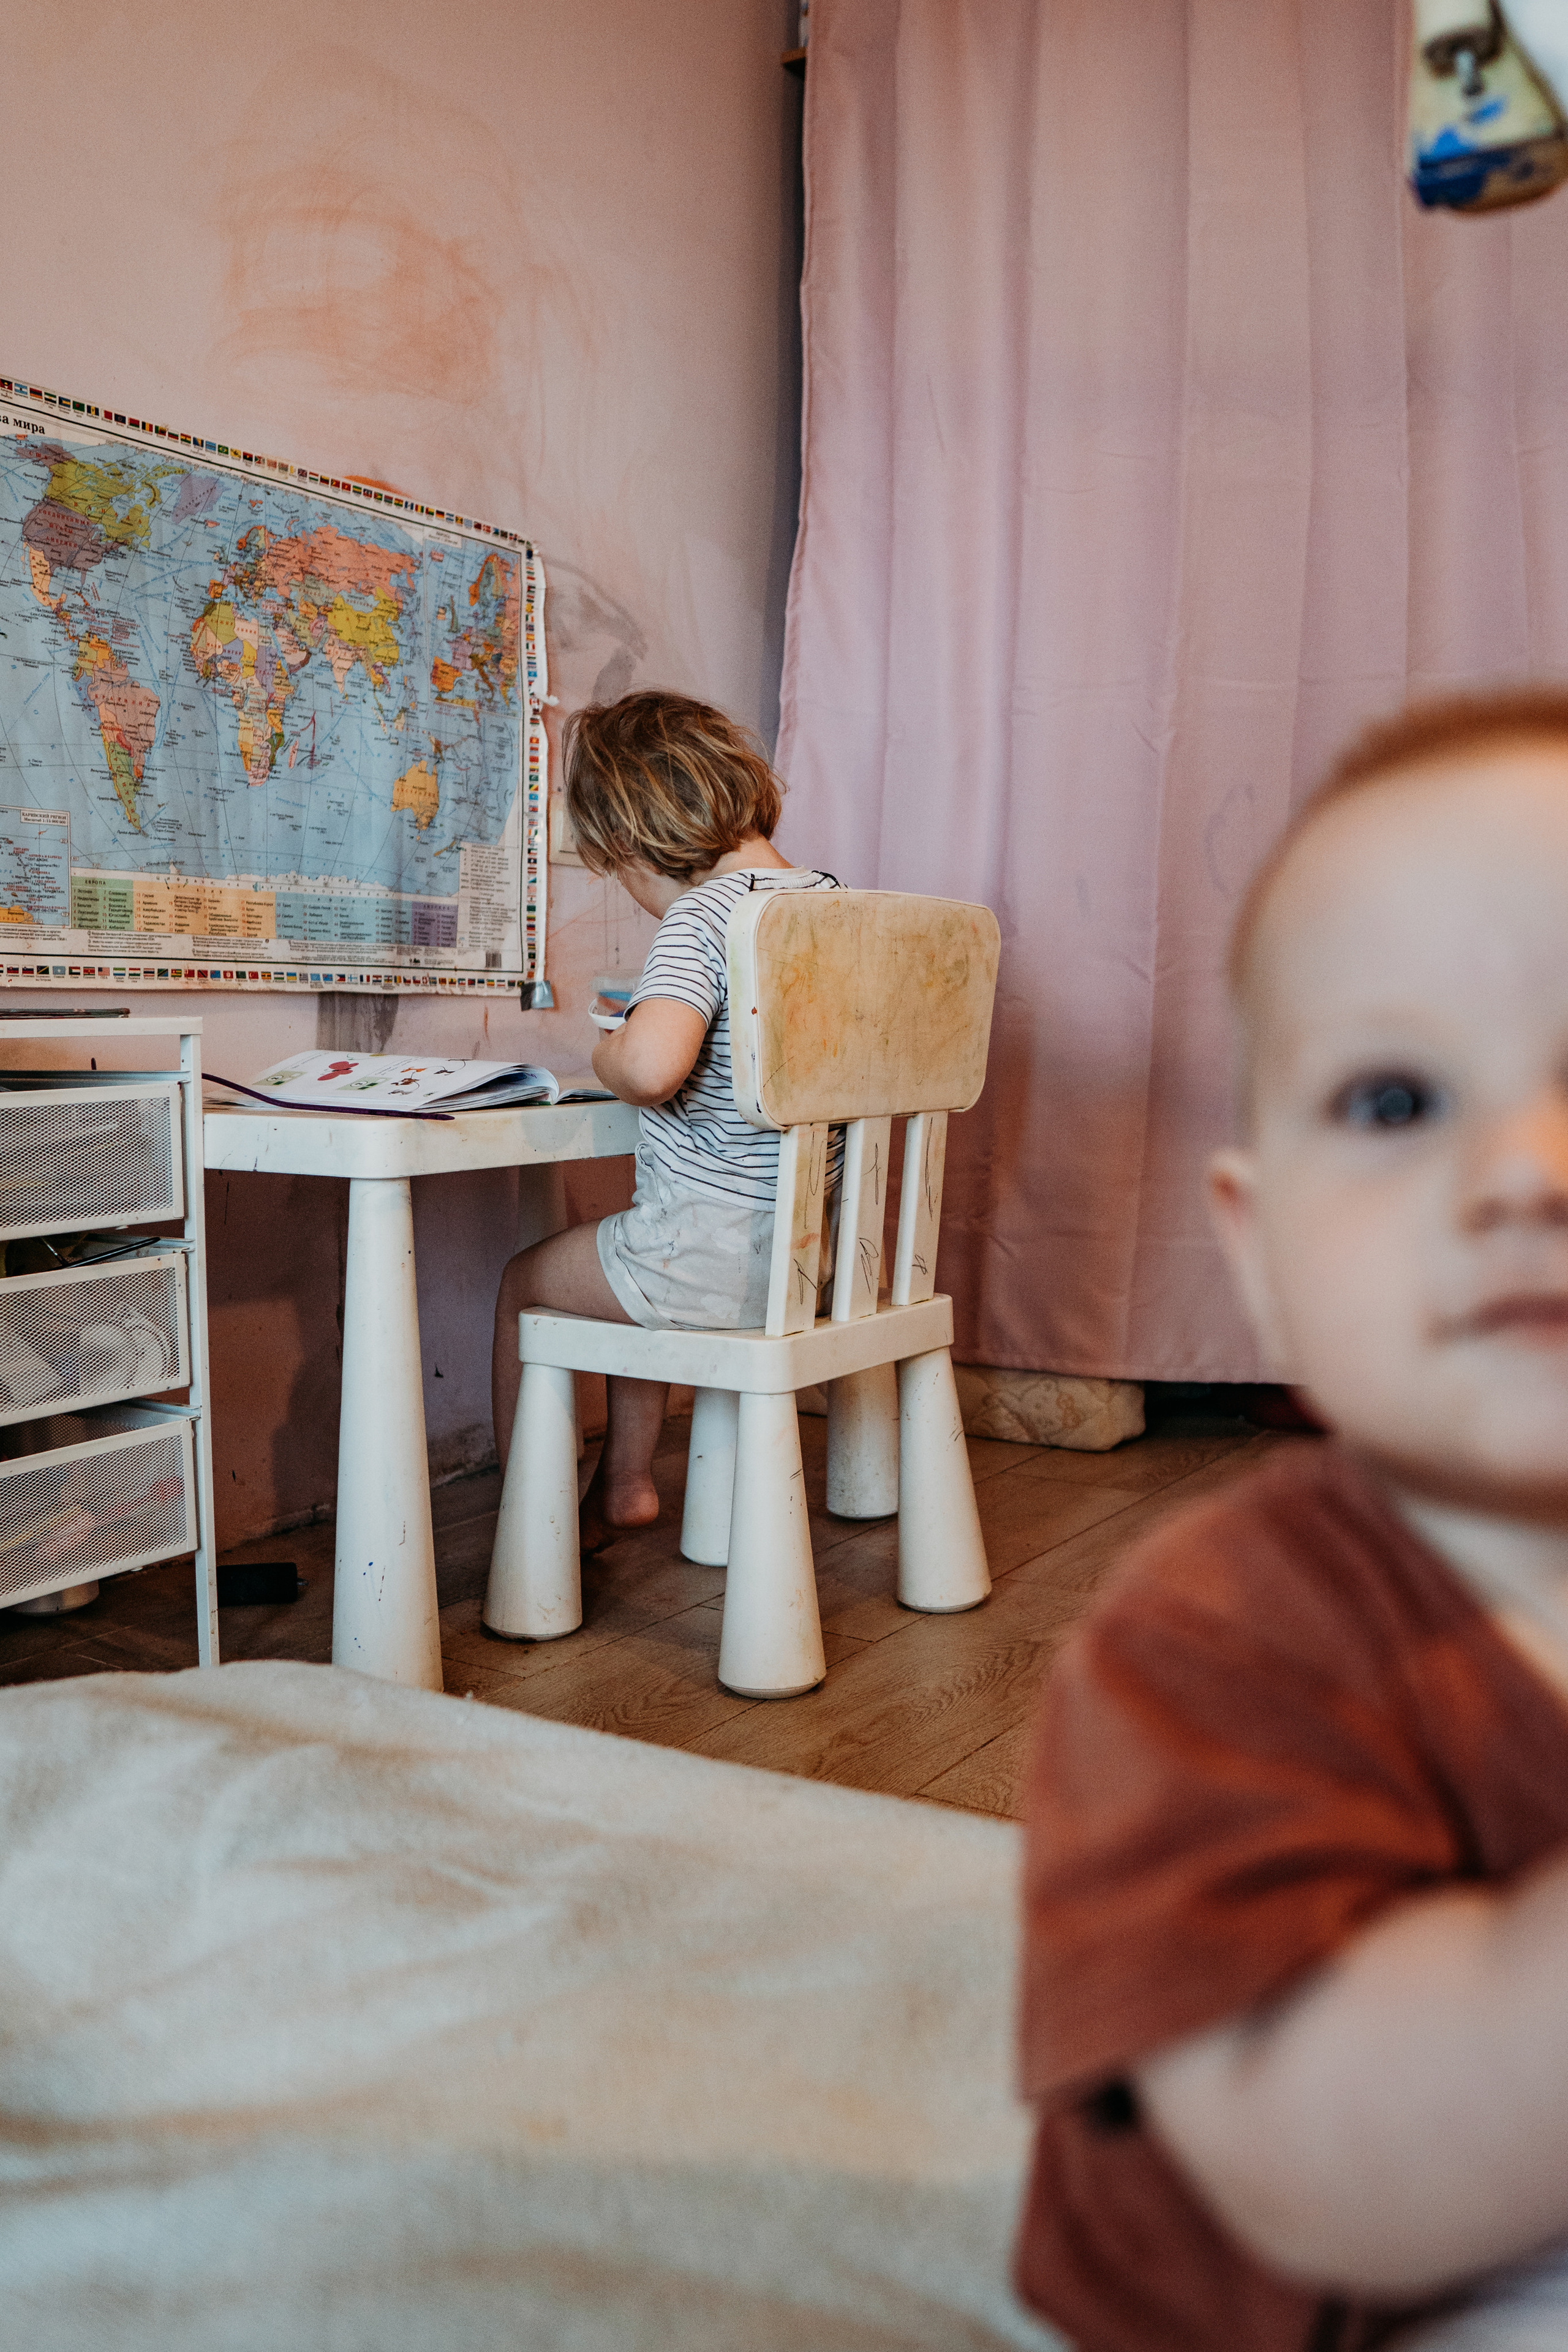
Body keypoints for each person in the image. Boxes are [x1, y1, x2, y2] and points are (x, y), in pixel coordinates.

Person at [1014, 691, 1568, 2352]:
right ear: (1260, 1260)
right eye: (1398, 1103)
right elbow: (1318, 2173)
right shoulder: (1219, 1638)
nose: (1528, 1171)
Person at [491, 690, 839, 1552]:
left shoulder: (706, 914)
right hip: (815, 1260)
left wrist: (609, 1048)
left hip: (710, 1264)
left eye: (622, 875)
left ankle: (527, 1514)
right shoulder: (831, 906)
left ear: (639, 840)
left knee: (525, 1284)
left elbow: (650, 1068)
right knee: (626, 1266)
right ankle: (629, 1484)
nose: (636, 897)